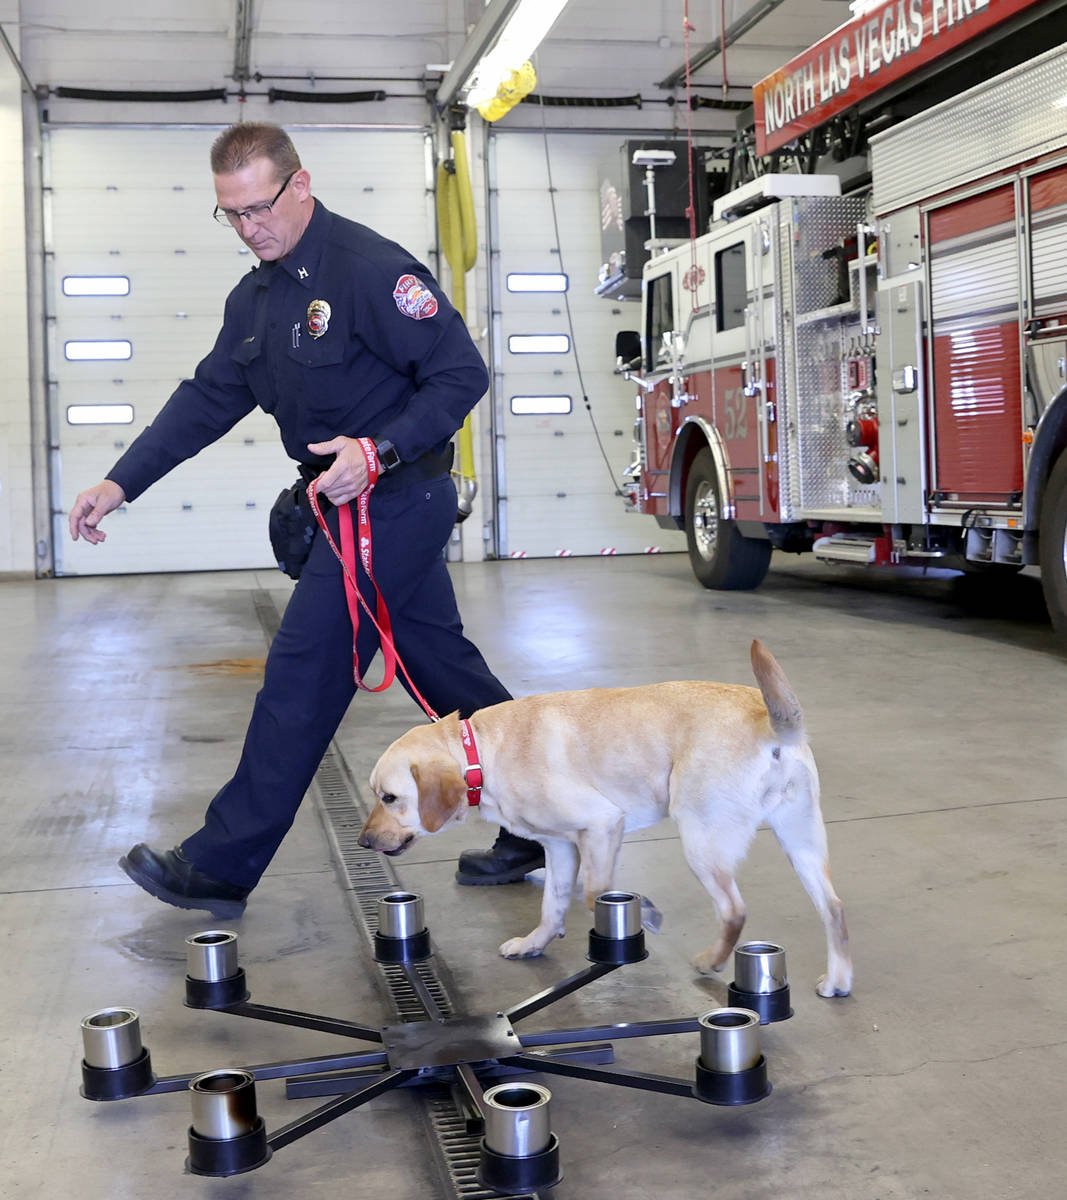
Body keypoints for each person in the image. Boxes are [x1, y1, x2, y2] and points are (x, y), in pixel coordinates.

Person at [68, 122, 543, 917]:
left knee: (303, 667)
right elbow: (208, 398)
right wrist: (122, 482)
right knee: (440, 668)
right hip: (343, 508)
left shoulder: (370, 270)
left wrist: (378, 449)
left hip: (395, 498)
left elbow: (460, 373)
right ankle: (536, 813)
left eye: (259, 207)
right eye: (233, 215)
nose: (250, 228)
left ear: (300, 185)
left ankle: (223, 861)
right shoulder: (255, 297)